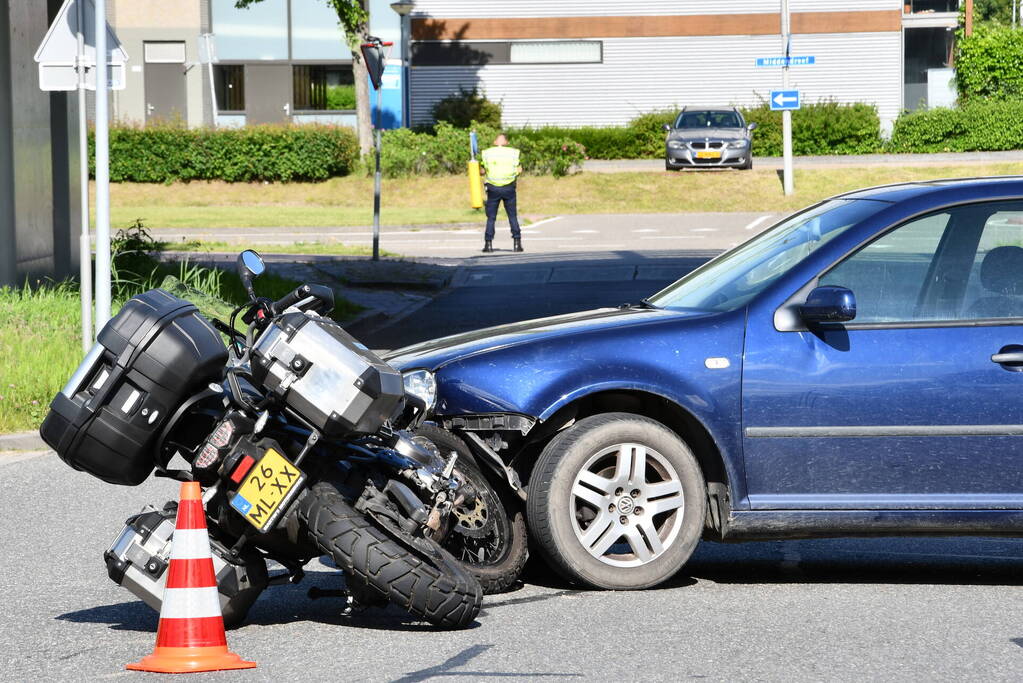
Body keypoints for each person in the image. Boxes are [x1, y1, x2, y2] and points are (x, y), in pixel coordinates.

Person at [480, 134, 523, 253]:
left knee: (491, 217)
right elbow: (519, 170)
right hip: (509, 188)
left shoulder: (487, 153)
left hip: (493, 188)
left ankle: (488, 244)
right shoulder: (513, 153)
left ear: (494, 142)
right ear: (507, 142)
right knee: (512, 216)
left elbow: (482, 171)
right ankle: (517, 243)